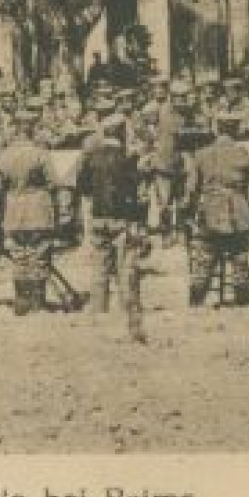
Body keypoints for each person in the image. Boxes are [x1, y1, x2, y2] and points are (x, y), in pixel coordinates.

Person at [78, 113, 148, 339]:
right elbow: (137, 191)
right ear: (121, 132)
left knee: (99, 269)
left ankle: (99, 314)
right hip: (122, 220)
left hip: (98, 219)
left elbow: (83, 187)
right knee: (125, 269)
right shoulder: (127, 160)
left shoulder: (91, 158)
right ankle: (127, 311)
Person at [183, 111, 249, 308]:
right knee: (240, 256)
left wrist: (189, 211)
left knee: (204, 257)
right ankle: (243, 299)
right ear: (236, 129)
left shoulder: (201, 154)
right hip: (239, 212)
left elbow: (190, 190)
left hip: (210, 211)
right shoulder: (244, 154)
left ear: (216, 128)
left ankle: (197, 300)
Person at [0, 112, 56, 316]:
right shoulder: (40, 153)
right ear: (32, 129)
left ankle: (21, 302)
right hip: (38, 207)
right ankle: (38, 303)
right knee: (39, 254)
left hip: (13, 208)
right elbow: (53, 182)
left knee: (19, 255)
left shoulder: (4, 155)